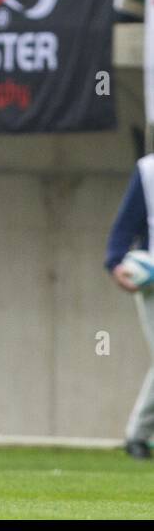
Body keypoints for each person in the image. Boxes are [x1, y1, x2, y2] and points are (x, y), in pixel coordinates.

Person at [103, 155, 154, 460]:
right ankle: (137, 435)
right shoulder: (148, 171)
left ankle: (137, 434)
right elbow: (123, 229)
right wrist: (115, 261)